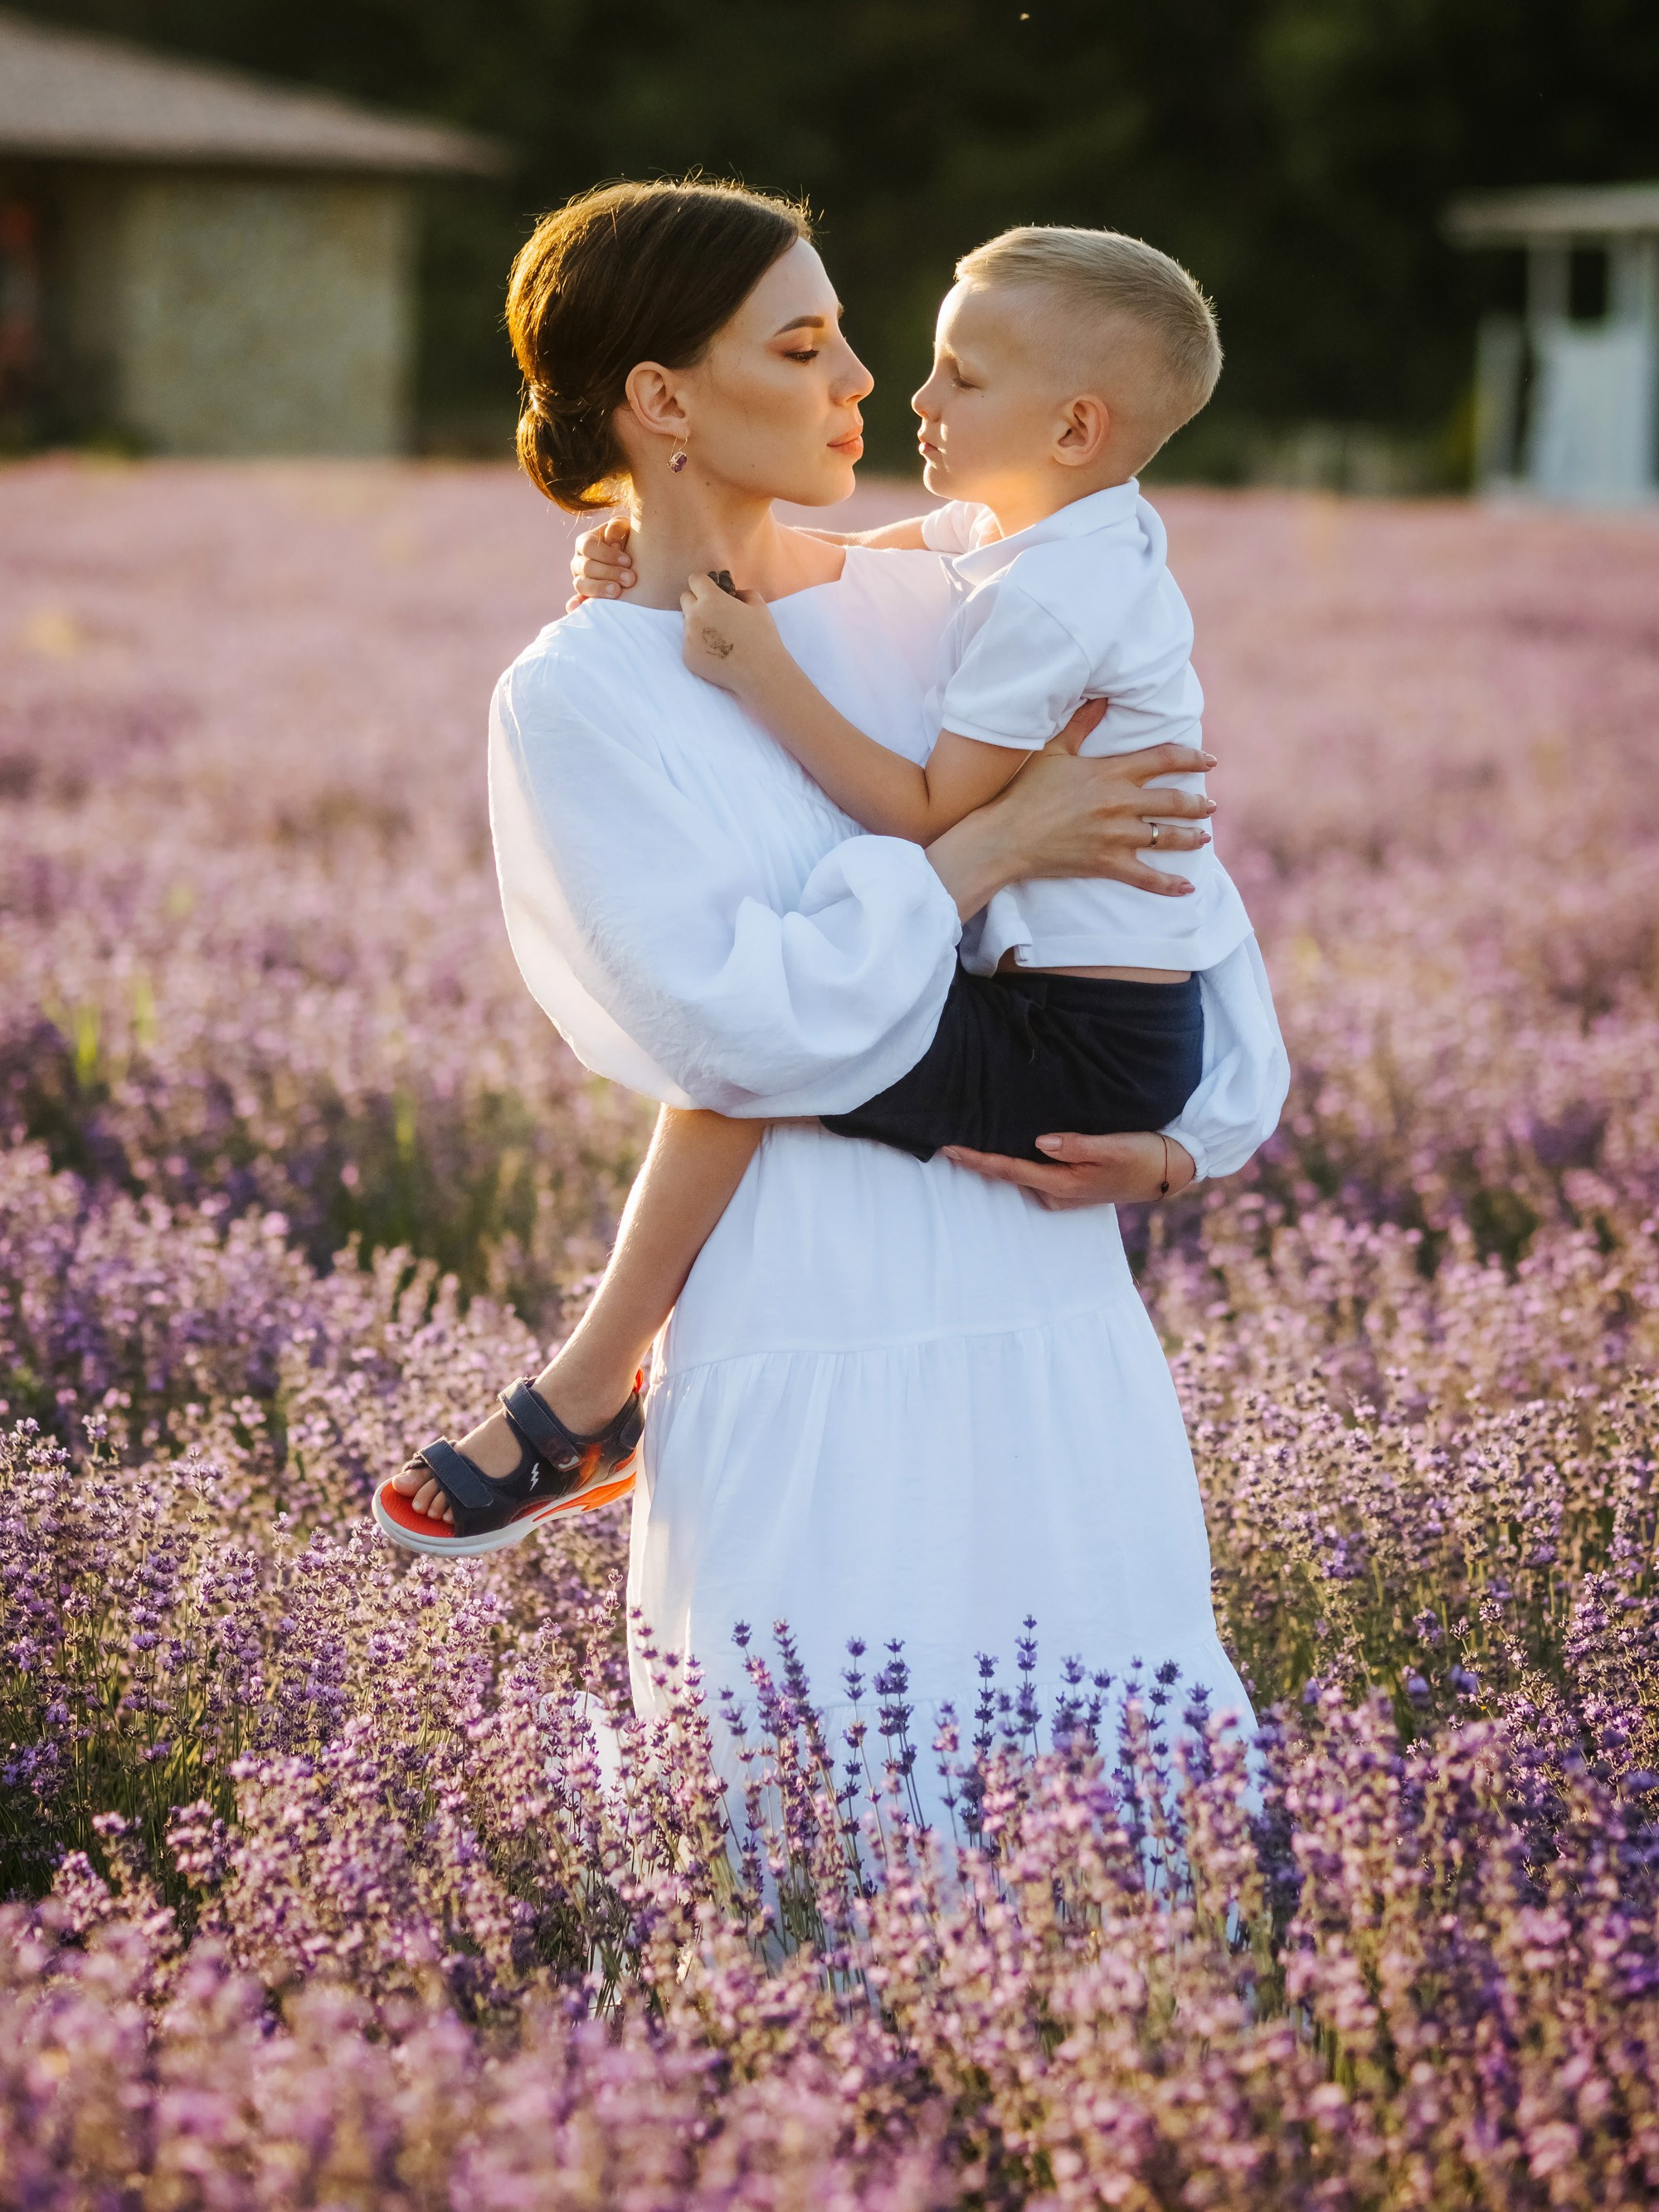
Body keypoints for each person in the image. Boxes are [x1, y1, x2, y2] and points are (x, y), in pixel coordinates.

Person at [374, 180, 1285, 1764]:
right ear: (661, 400)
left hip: (1044, 1313)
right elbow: (735, 1028)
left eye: (857, 338)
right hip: (806, 1329)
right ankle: (594, 1394)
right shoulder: (580, 696)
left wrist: (1199, 1136)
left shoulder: (949, 598)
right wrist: (977, 856)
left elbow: (1166, 872)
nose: (867, 382)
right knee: (813, 1824)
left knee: (1124, 1830)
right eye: (805, 346)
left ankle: (576, 1396)